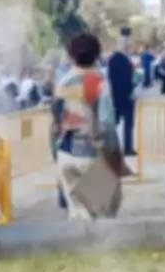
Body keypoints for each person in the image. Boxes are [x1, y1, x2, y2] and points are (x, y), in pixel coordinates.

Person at [53, 33, 129, 217]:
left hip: (66, 154)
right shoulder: (99, 83)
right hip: (92, 156)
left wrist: (57, 156)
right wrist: (116, 160)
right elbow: (106, 126)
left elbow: (54, 124)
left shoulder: (62, 82)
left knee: (77, 214)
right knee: (101, 217)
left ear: (71, 55)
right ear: (97, 55)